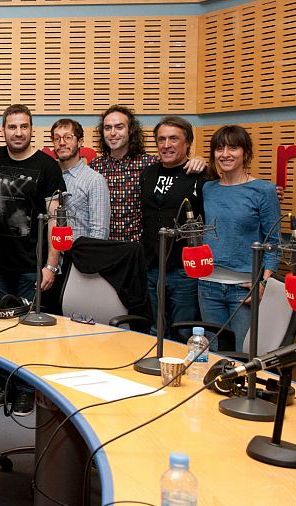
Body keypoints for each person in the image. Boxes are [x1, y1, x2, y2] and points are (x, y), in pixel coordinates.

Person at [0, 104, 66, 416]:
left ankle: (26, 392)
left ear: (32, 130)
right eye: (11, 127)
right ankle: (4, 388)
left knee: (28, 331)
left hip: (33, 263)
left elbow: (57, 218)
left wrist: (51, 263)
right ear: (4, 130)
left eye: (23, 126)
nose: (18, 132)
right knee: (0, 329)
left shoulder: (48, 166)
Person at [200, 125, 280, 351]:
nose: (225, 154)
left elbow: (273, 242)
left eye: (233, 148)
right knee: (213, 355)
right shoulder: (208, 188)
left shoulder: (263, 191)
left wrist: (262, 283)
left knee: (242, 355)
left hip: (244, 288)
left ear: (245, 152)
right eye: (219, 148)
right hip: (208, 286)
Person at [90, 105, 204, 242]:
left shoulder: (149, 164)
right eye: (107, 128)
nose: (113, 133)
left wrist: (199, 160)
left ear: (131, 130)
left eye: (119, 127)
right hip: (104, 246)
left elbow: (176, 164)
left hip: (137, 249)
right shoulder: (95, 166)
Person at [140, 116, 205, 338]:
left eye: (173, 139)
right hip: (151, 266)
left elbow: (232, 187)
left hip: (183, 269)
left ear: (188, 143)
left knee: (183, 331)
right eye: (161, 139)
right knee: (153, 329)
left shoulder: (200, 176)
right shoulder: (147, 174)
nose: (166, 145)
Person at [51, 118, 110, 240]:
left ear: (80, 142)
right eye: (57, 138)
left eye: (68, 137)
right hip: (51, 257)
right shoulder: (49, 176)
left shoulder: (94, 180)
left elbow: (99, 232)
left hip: (79, 256)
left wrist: (84, 259)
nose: (61, 142)